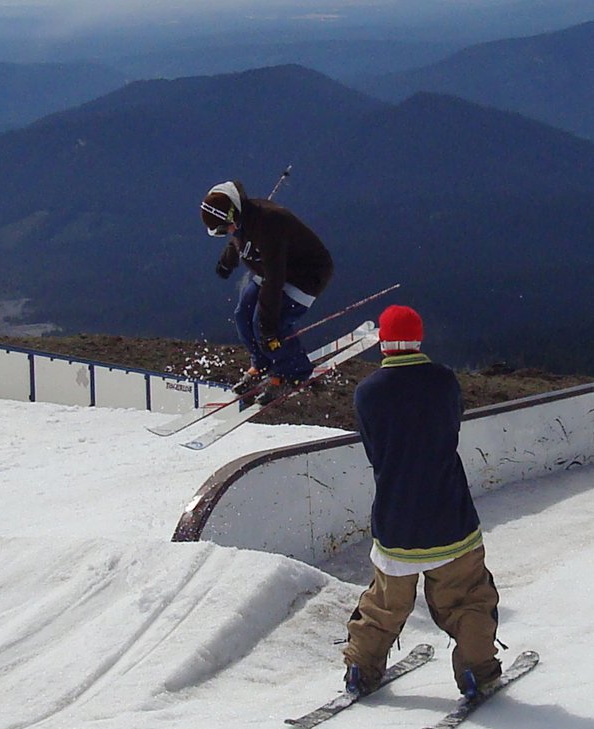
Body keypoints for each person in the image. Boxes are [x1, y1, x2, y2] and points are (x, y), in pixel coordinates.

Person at [342, 304, 502, 698]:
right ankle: (476, 671)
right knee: (467, 598)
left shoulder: (367, 393)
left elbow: (374, 450)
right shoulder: (444, 381)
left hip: (396, 521)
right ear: (419, 338)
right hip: (451, 518)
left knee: (382, 604)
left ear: (382, 341)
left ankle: (360, 670)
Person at [199, 179, 334, 389]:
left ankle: (294, 370)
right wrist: (227, 262)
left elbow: (274, 280)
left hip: (305, 274)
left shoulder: (269, 223)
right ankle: (261, 362)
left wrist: (268, 327)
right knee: (243, 315)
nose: (228, 230)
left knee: (268, 324)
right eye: (221, 230)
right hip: (270, 268)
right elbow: (239, 240)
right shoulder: (241, 219)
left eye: (226, 226)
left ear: (234, 213)